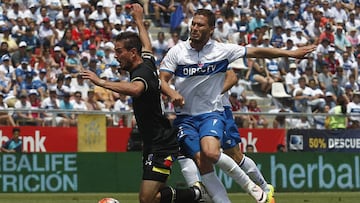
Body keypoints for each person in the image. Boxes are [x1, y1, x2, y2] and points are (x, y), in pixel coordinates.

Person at [159, 8, 314, 203]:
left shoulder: (221, 50)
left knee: (214, 153)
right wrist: (172, 93)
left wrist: (289, 53)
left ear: (211, 29)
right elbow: (162, 80)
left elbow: (256, 52)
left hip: (211, 113)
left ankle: (258, 187)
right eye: (193, 24)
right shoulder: (177, 51)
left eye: (200, 25)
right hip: (185, 117)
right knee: (202, 161)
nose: (194, 28)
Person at [80, 4, 207, 203]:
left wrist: (101, 82)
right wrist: (139, 19)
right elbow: (147, 45)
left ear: (132, 53)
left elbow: (137, 89)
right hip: (152, 142)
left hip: (160, 144)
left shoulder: (142, 74)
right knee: (155, 198)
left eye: (119, 51)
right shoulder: (145, 61)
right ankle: (197, 194)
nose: (115, 55)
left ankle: (197, 194)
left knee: (146, 198)